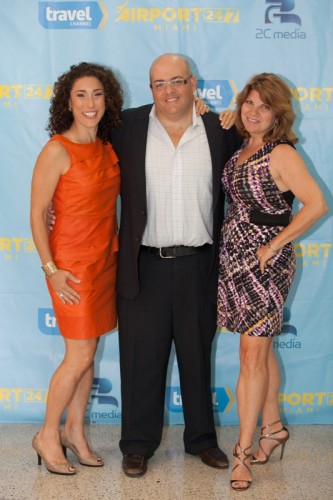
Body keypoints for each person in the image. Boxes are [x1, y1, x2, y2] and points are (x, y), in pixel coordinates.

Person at [111, 53, 241, 477]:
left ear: (193, 84)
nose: (169, 91)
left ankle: (201, 439)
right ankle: (137, 443)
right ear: (150, 89)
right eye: (159, 83)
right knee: (140, 358)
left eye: (177, 82)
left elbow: (261, 165)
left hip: (200, 264)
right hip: (143, 264)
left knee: (196, 355)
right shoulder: (125, 127)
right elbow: (81, 164)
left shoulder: (221, 130)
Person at [216, 73, 328, 491]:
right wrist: (226, 117)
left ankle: (243, 453)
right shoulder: (243, 147)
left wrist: (274, 245)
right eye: (249, 102)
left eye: (265, 106)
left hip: (265, 264)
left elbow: (316, 204)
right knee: (259, 353)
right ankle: (274, 428)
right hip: (233, 259)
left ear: (278, 114)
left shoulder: (281, 153)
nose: (254, 111)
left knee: (250, 356)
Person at [30, 62, 123, 475]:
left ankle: (75, 432)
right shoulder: (56, 149)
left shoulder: (107, 144)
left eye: (97, 94)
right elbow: (36, 215)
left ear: (108, 100)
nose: (90, 103)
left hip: (106, 261)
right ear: (67, 101)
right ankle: (47, 434)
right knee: (80, 352)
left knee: (89, 352)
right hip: (71, 267)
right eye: (81, 95)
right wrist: (51, 269)